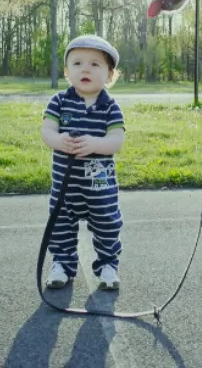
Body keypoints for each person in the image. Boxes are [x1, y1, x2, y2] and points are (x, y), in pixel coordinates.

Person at [40, 35, 126, 290]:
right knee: (61, 225)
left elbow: (116, 140)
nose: (85, 69)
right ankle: (62, 264)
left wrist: (96, 145)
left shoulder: (110, 107)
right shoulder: (59, 102)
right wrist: (58, 140)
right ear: (67, 72)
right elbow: (47, 131)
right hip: (66, 186)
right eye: (77, 64)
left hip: (100, 188)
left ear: (110, 75)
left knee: (107, 225)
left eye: (95, 64)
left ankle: (108, 265)